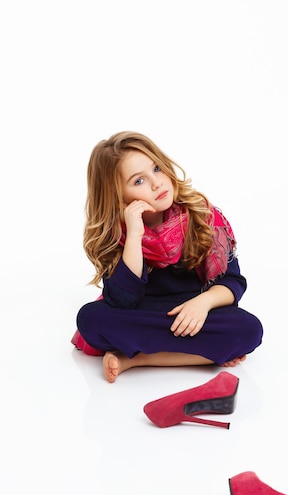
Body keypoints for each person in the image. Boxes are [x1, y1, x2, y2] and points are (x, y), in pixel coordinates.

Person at [72, 131, 263, 383]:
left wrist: (202, 304)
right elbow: (123, 301)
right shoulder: (119, 233)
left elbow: (233, 282)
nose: (156, 183)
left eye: (157, 169)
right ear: (118, 197)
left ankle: (135, 358)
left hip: (195, 311)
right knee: (91, 319)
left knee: (249, 329)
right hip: (145, 311)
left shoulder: (202, 216)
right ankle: (204, 352)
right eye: (138, 181)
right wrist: (134, 237)